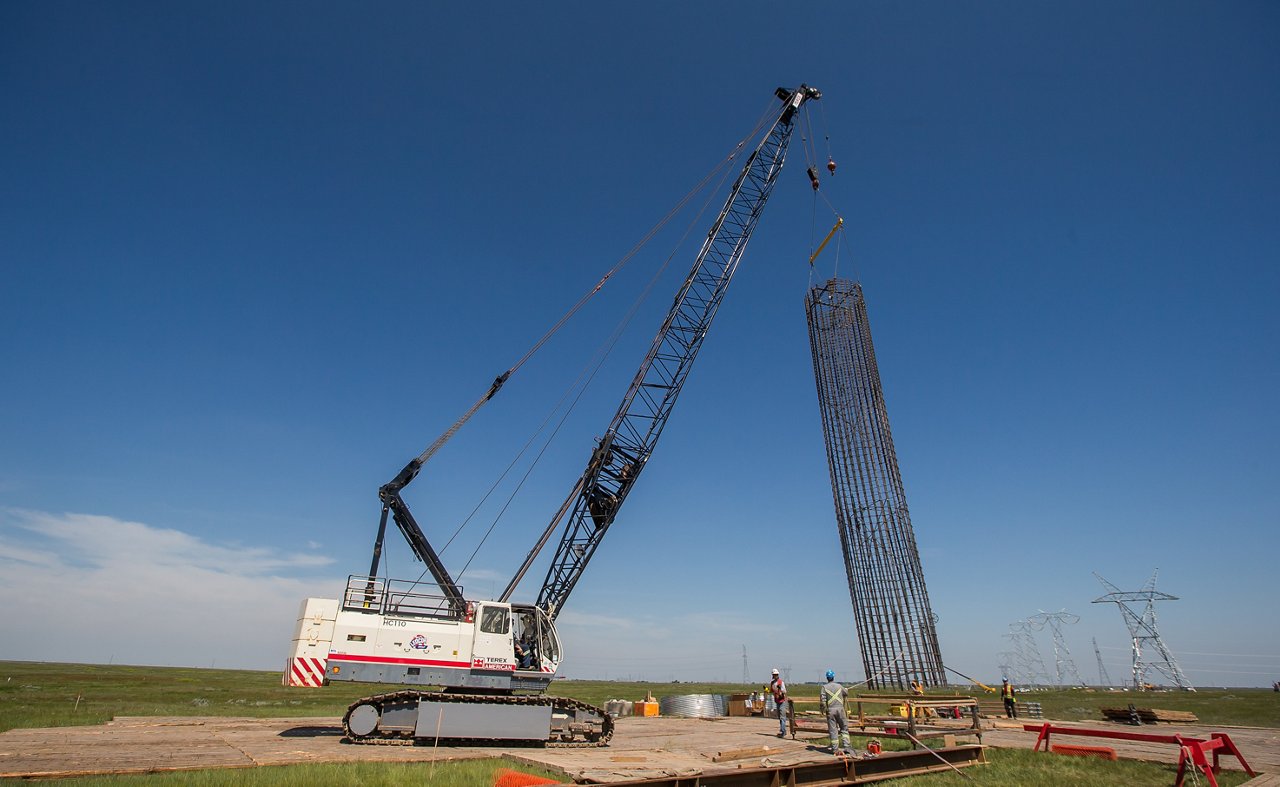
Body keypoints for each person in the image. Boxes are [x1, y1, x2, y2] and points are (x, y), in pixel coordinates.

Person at [820, 669, 852, 754]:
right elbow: (845, 693)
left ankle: (835, 749)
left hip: (831, 710)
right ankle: (847, 747)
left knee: (833, 730)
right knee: (844, 728)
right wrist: (846, 690)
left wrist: (823, 710)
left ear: (827, 678)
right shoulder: (839, 686)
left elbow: (822, 702)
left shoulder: (824, 687)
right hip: (840, 710)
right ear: (833, 677)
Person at [768, 668, 789, 737]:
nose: (775, 676)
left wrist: (780, 689)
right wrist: (767, 690)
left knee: (782, 717)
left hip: (782, 701)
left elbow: (784, 691)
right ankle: (783, 731)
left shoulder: (781, 682)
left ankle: (782, 731)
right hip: (777, 701)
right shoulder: (772, 683)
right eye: (774, 675)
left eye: (776, 674)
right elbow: (771, 691)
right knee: (780, 717)